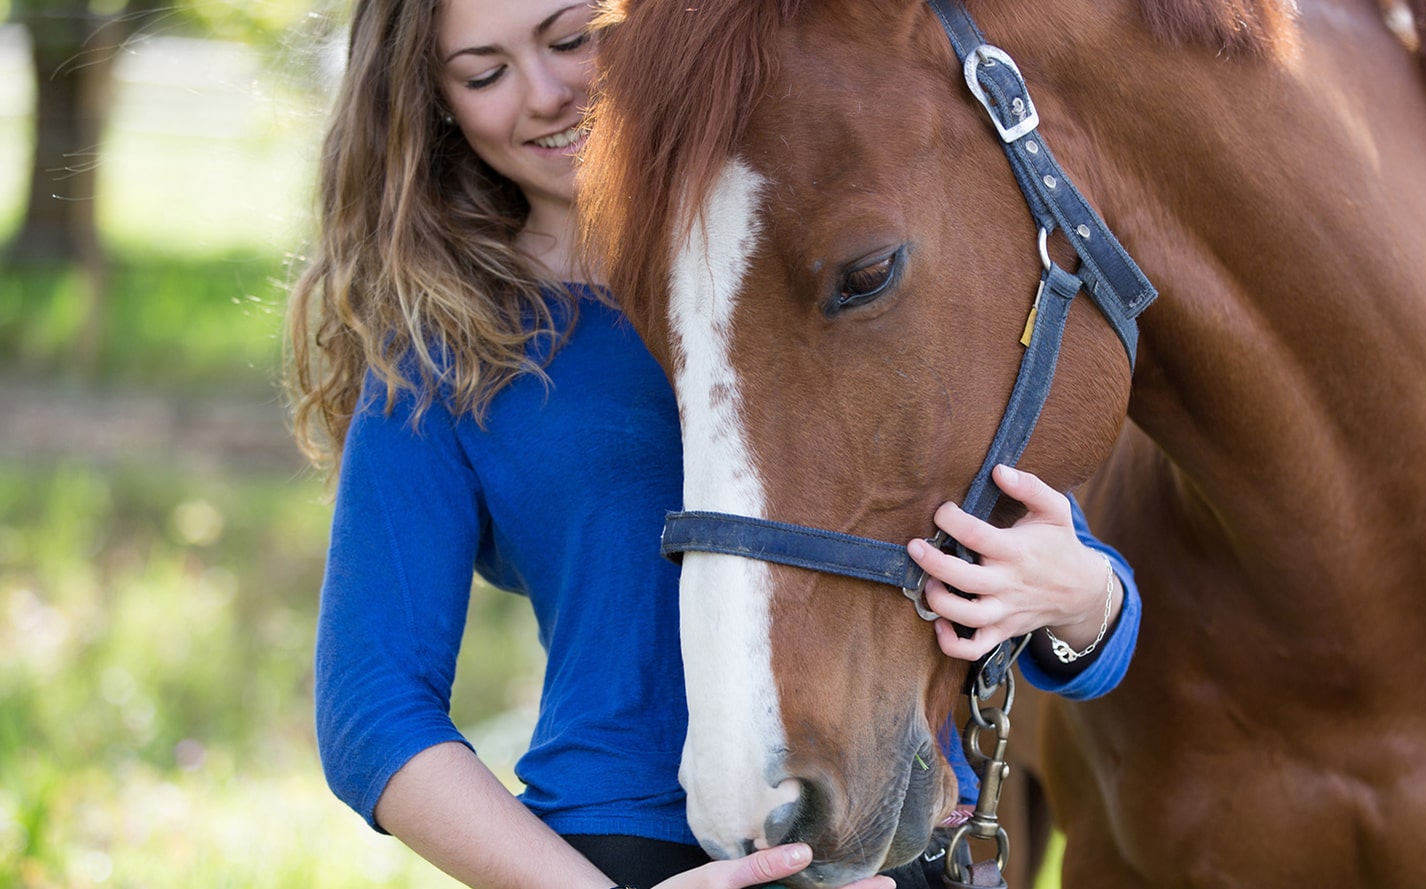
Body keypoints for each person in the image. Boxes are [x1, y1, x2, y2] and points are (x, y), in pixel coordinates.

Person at [282, 1, 1143, 888]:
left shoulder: (827, 271)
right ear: (436, 103)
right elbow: (371, 714)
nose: (545, 94)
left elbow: (1065, 601)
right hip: (631, 857)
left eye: (571, 40)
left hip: (912, 834)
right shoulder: (443, 351)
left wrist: (1083, 597)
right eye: (484, 73)